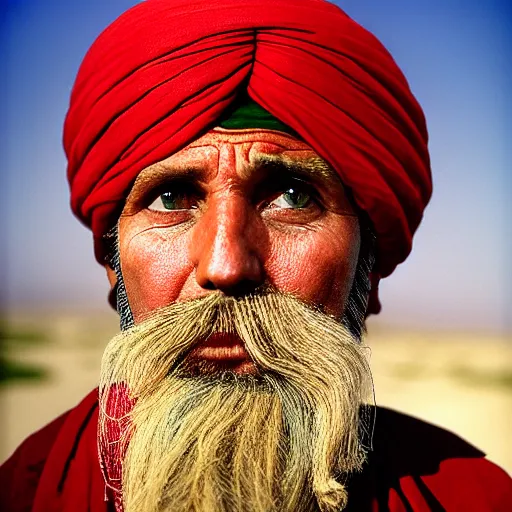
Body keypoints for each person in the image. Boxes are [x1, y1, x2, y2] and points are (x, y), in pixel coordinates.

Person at [1, 0, 511, 511]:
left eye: (293, 197)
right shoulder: (25, 492)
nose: (224, 266)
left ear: (368, 270)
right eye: (171, 199)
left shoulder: (472, 498)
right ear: (114, 265)